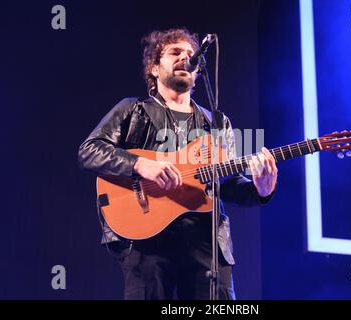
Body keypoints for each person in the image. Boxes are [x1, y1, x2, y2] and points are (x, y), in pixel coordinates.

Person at [78, 28, 278, 300]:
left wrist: (260, 189)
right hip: (147, 242)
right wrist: (140, 165)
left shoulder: (218, 124)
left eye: (190, 54)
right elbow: (89, 150)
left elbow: (229, 185)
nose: (186, 57)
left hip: (206, 246)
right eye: (175, 53)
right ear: (154, 68)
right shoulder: (132, 110)